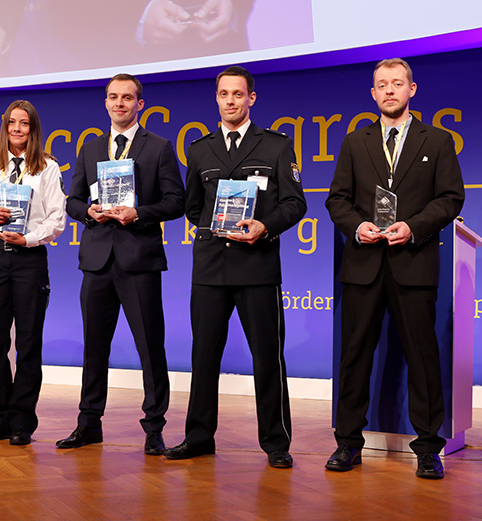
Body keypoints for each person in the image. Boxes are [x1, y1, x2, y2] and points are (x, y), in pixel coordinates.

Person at [325, 58, 464, 479]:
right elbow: (337, 200)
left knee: (423, 358)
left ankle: (427, 448)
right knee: (354, 357)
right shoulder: (355, 141)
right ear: (373, 93)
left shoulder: (437, 141)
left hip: (413, 262)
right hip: (364, 263)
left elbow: (451, 198)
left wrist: (414, 226)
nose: (389, 90)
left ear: (412, 90)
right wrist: (357, 225)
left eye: (397, 83)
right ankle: (348, 444)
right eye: (382, 84)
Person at [163, 65, 306, 468]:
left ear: (251, 99)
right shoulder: (199, 148)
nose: (231, 101)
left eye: (238, 94)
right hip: (210, 266)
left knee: (267, 357)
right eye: (224, 94)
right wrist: (212, 226)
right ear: (217, 99)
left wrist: (265, 225)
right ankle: (198, 437)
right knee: (203, 356)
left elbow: (295, 203)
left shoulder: (276, 146)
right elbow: (192, 206)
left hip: (257, 265)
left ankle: (276, 443)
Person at [59, 74, 184, 454]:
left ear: (139, 104)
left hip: (138, 260)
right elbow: (72, 200)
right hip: (97, 260)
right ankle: (88, 423)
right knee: (94, 347)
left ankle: (154, 427)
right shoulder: (90, 147)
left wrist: (138, 213)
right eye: (113, 97)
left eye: (127, 98)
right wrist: (89, 212)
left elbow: (176, 202)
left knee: (151, 346)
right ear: (106, 103)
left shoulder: (159, 148)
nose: (120, 104)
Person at [0, 100, 66, 446]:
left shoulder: (47, 169)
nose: (18, 129)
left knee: (27, 344)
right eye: (12, 123)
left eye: (24, 123)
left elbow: (57, 219)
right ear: (5, 127)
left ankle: (22, 421)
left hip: (29, 259)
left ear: (33, 128)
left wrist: (30, 237)